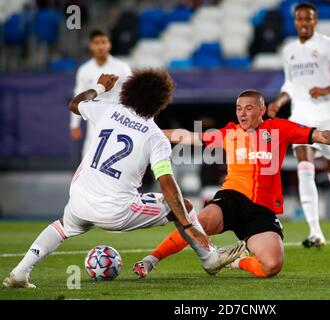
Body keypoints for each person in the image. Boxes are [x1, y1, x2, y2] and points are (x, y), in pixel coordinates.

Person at [3, 70, 247, 289]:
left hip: (79, 198)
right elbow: (167, 184)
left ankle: (19, 272)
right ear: (161, 102)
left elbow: (75, 104)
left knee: (62, 226)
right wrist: (187, 225)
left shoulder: (108, 110)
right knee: (185, 206)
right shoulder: (155, 137)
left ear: (130, 91)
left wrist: (99, 88)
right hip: (116, 210)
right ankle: (209, 258)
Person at [133, 89, 330, 279]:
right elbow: (189, 137)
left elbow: (319, 135)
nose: (242, 113)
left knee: (272, 265)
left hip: (262, 209)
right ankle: (150, 260)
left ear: (262, 110)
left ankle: (235, 261)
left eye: (249, 108)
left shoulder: (279, 129)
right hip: (232, 198)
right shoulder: (230, 133)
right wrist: (153, 133)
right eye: (239, 108)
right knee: (199, 223)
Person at [267, 3, 330, 247]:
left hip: (327, 115)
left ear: (315, 21)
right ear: (295, 21)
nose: (303, 23)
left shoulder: (328, 45)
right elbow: (290, 84)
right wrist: (278, 102)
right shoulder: (288, 50)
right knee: (303, 169)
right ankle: (315, 232)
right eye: (299, 19)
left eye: (308, 19)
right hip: (300, 116)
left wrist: (327, 89)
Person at [70, 29, 132, 158]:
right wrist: (74, 124)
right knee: (89, 158)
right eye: (96, 43)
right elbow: (78, 95)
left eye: (104, 42)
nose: (100, 46)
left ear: (109, 44)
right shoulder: (84, 70)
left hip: (118, 120)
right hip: (94, 121)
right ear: (91, 46)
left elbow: (131, 94)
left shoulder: (122, 68)